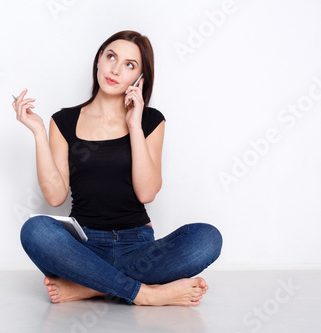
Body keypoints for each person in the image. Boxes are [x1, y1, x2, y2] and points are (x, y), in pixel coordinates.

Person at [12, 30, 222, 306]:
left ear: (139, 78)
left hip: (139, 246)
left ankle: (91, 287)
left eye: (129, 65)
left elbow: (147, 193)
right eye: (111, 57)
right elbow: (55, 197)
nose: (115, 69)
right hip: (83, 248)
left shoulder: (150, 121)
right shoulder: (63, 121)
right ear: (99, 59)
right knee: (34, 230)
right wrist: (38, 132)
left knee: (207, 238)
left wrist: (134, 124)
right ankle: (145, 293)